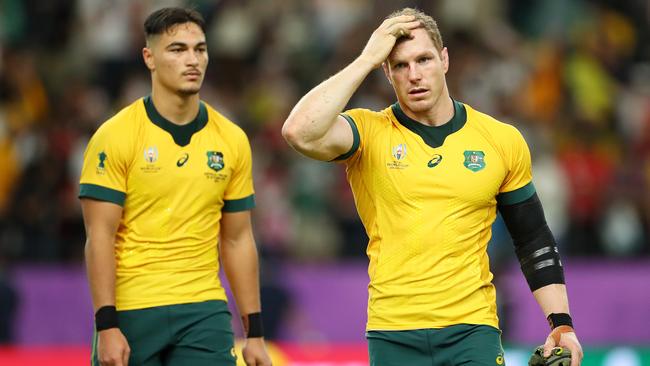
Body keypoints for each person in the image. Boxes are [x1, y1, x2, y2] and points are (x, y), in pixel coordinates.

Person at [282, 7, 583, 366]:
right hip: (393, 333)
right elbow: (299, 131)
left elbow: (533, 238)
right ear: (386, 73)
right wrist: (365, 59)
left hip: (472, 331)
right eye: (400, 65)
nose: (414, 75)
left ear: (444, 60)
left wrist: (561, 324)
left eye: (424, 60)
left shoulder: (500, 140)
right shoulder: (368, 132)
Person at [79, 7, 272, 366]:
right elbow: (99, 235)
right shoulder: (115, 136)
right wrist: (106, 325)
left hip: (203, 310)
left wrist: (255, 333)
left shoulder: (231, 139)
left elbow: (237, 238)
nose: (192, 59)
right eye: (177, 49)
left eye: (200, 49)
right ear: (149, 58)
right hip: (132, 310)